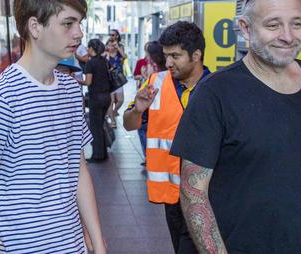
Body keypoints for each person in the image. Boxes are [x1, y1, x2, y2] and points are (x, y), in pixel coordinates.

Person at [170, 0, 301, 253]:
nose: (288, 35)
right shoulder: (215, 92)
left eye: (296, 23)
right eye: (273, 25)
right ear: (245, 29)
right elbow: (194, 193)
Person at [0, 0, 105, 254]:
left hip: (73, 246)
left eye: (79, 23)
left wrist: (98, 244)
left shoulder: (69, 90)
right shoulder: (0, 99)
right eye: (68, 23)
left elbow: (78, 171)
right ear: (35, 27)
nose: (79, 33)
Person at [123, 21, 210, 253]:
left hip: (209, 195)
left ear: (196, 55)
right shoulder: (156, 83)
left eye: (176, 56)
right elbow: (129, 125)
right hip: (173, 196)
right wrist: (138, 109)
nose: (168, 62)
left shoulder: (218, 88)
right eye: (166, 55)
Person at [82, 39, 112, 162]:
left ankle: (97, 155)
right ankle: (104, 153)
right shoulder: (104, 61)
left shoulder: (90, 63)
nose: (87, 50)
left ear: (91, 49)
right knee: (101, 125)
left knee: (96, 127)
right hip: (106, 97)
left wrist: (75, 80)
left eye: (88, 48)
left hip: (96, 98)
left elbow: (88, 82)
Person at [105, 39, 125, 128]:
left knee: (120, 100)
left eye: (113, 45)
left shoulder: (119, 53)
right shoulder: (105, 55)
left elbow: (125, 56)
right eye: (110, 45)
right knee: (111, 101)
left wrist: (118, 47)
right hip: (109, 79)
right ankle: (112, 121)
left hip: (118, 79)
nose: (112, 47)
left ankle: (113, 112)